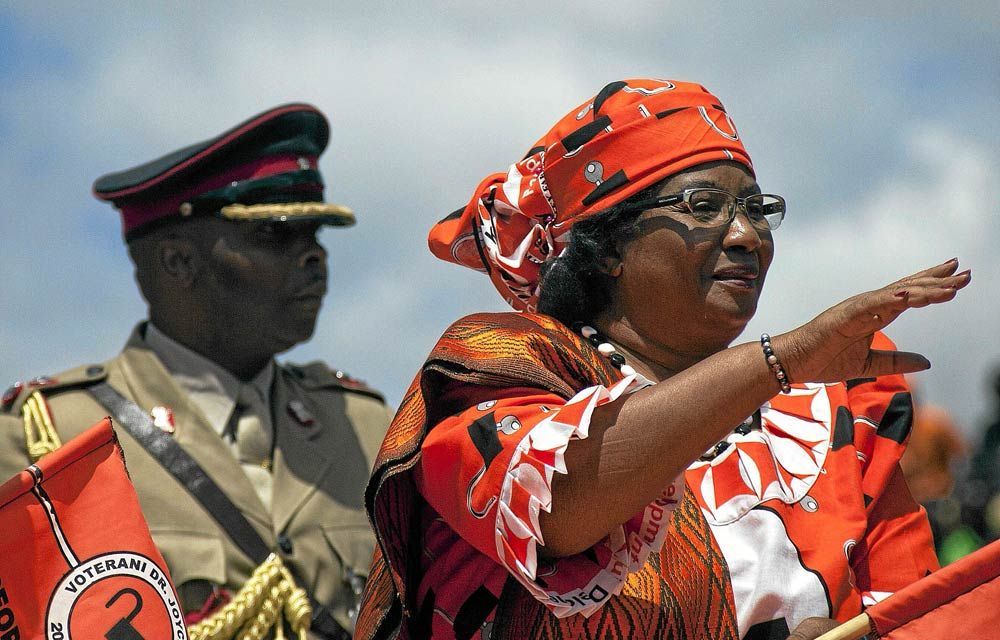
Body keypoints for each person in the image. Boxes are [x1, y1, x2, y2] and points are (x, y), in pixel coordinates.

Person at [354, 79, 970, 640]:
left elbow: (920, 615)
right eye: (703, 207)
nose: (745, 235)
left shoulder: (838, 419)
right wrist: (780, 360)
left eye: (757, 210)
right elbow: (555, 514)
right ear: (607, 249)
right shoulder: (498, 373)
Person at [0, 104, 394, 638]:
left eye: (315, 235)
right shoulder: (49, 438)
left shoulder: (369, 429)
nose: (314, 257)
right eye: (276, 236)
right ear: (178, 262)